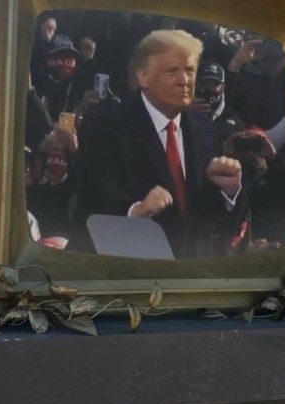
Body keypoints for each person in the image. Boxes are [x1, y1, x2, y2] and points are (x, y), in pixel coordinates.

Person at [74, 30, 244, 258]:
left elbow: (216, 223)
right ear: (143, 76)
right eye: (172, 71)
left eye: (190, 70)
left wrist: (230, 192)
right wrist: (136, 212)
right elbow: (89, 198)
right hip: (127, 273)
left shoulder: (206, 130)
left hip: (192, 279)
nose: (184, 81)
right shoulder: (106, 123)